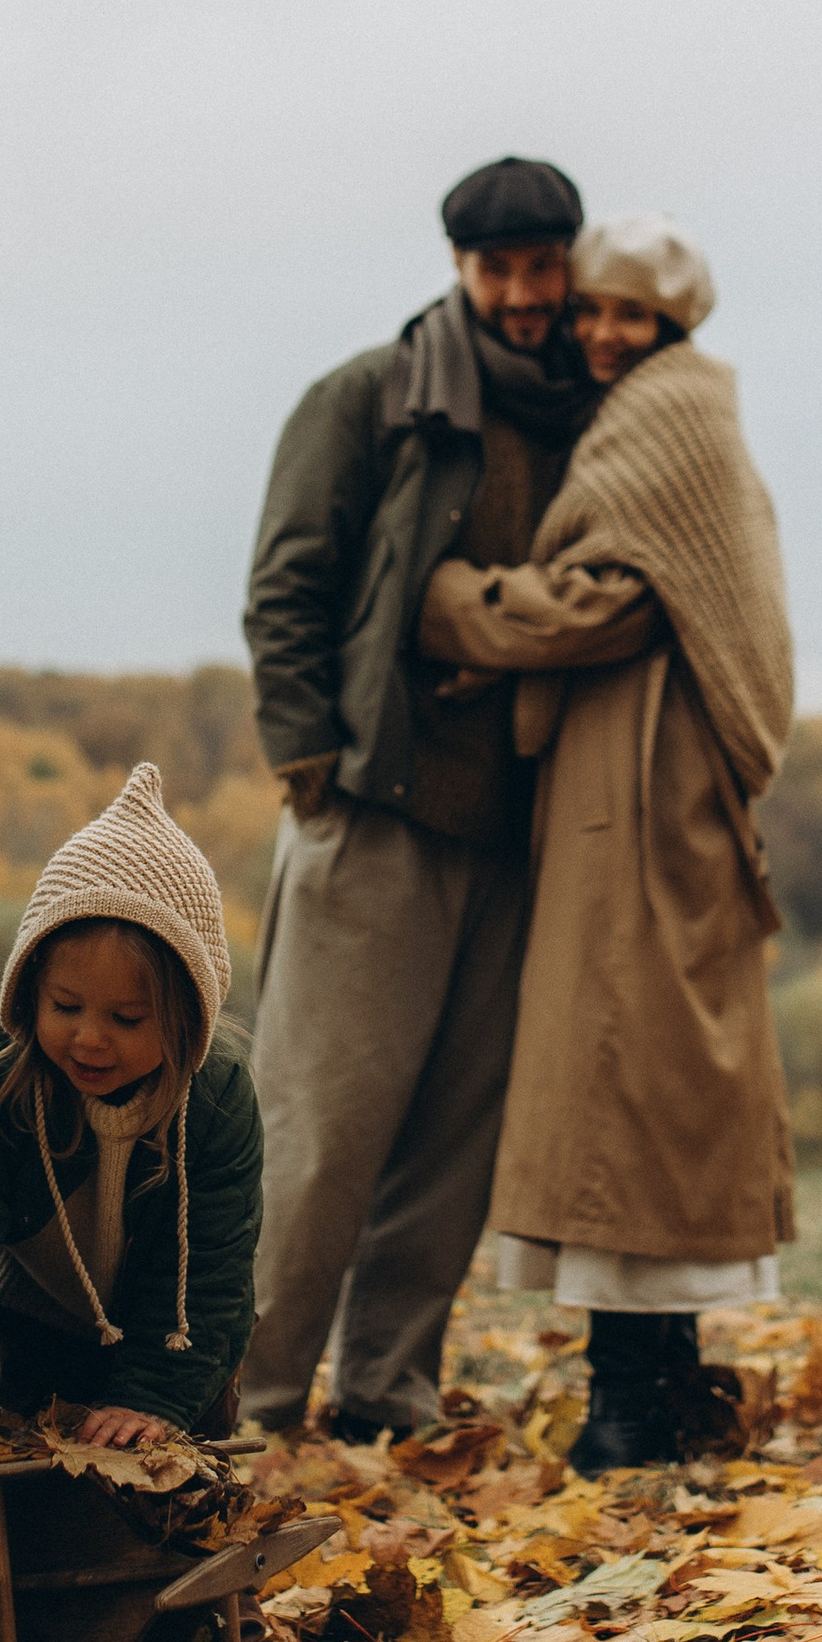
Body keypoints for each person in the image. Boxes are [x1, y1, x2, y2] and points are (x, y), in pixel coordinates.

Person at [418, 213, 796, 1471]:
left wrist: (454, 602)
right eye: (590, 311)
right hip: (630, 773)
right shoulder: (651, 408)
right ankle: (659, 1379)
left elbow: (614, 598)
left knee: (629, 1071)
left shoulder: (669, 408)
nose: (599, 332)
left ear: (672, 319)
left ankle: (630, 1400)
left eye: (626, 313)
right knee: (639, 1072)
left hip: (649, 775)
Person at [240, 156, 596, 1441]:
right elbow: (285, 586)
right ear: (459, 268)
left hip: (513, 823)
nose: (519, 292)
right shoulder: (369, 398)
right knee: (321, 1133)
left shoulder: (583, 410)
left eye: (540, 267)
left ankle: (386, 1396)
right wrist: (309, 766)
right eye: (496, 269)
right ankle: (253, 1403)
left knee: (452, 1146)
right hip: (374, 810)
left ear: (568, 263)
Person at [0, 763, 259, 1447]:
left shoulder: (217, 1100)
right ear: (31, 988)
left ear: (185, 1021)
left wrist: (153, 1399)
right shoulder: (3, 1069)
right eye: (65, 1006)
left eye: (127, 1018)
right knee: (32, 1483)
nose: (89, 1038)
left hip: (179, 1348)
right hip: (36, 1325)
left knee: (167, 1492)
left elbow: (212, 1264)